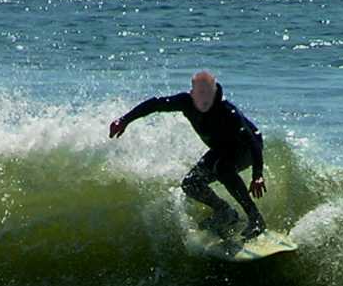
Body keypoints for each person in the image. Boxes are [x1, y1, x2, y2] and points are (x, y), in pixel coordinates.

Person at [109, 70, 267, 238]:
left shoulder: (228, 112)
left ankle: (255, 218)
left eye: (208, 94)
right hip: (221, 149)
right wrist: (124, 120)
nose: (205, 99)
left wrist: (257, 175)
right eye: (200, 94)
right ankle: (225, 212)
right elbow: (155, 104)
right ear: (192, 93)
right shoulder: (186, 102)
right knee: (191, 183)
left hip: (246, 148)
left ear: (215, 92)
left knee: (223, 169)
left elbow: (252, 142)